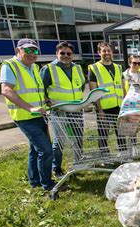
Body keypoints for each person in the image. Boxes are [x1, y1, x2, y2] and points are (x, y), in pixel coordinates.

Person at [0, 38, 55, 190]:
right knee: (46, 150)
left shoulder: (35, 68)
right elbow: (6, 90)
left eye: (35, 51)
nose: (32, 54)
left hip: (39, 115)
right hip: (25, 117)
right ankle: (47, 184)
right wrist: (30, 108)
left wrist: (47, 101)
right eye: (28, 50)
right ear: (18, 51)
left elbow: (37, 91)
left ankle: (35, 182)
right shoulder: (10, 66)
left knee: (35, 150)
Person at [40, 41, 86, 178]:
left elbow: (82, 86)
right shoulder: (49, 69)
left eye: (69, 53)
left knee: (77, 137)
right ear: (57, 54)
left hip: (76, 109)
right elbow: (41, 89)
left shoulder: (77, 68)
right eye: (62, 53)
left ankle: (77, 164)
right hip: (59, 111)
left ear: (72, 55)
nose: (66, 56)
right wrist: (48, 102)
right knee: (60, 141)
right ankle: (57, 167)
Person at [88, 41, 126, 154]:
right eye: (104, 51)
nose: (107, 53)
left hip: (119, 106)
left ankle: (123, 153)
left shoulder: (118, 67)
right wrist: (99, 110)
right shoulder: (94, 68)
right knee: (103, 133)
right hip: (104, 108)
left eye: (108, 50)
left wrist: (125, 106)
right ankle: (105, 155)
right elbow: (93, 91)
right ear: (99, 53)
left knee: (121, 131)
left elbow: (122, 88)